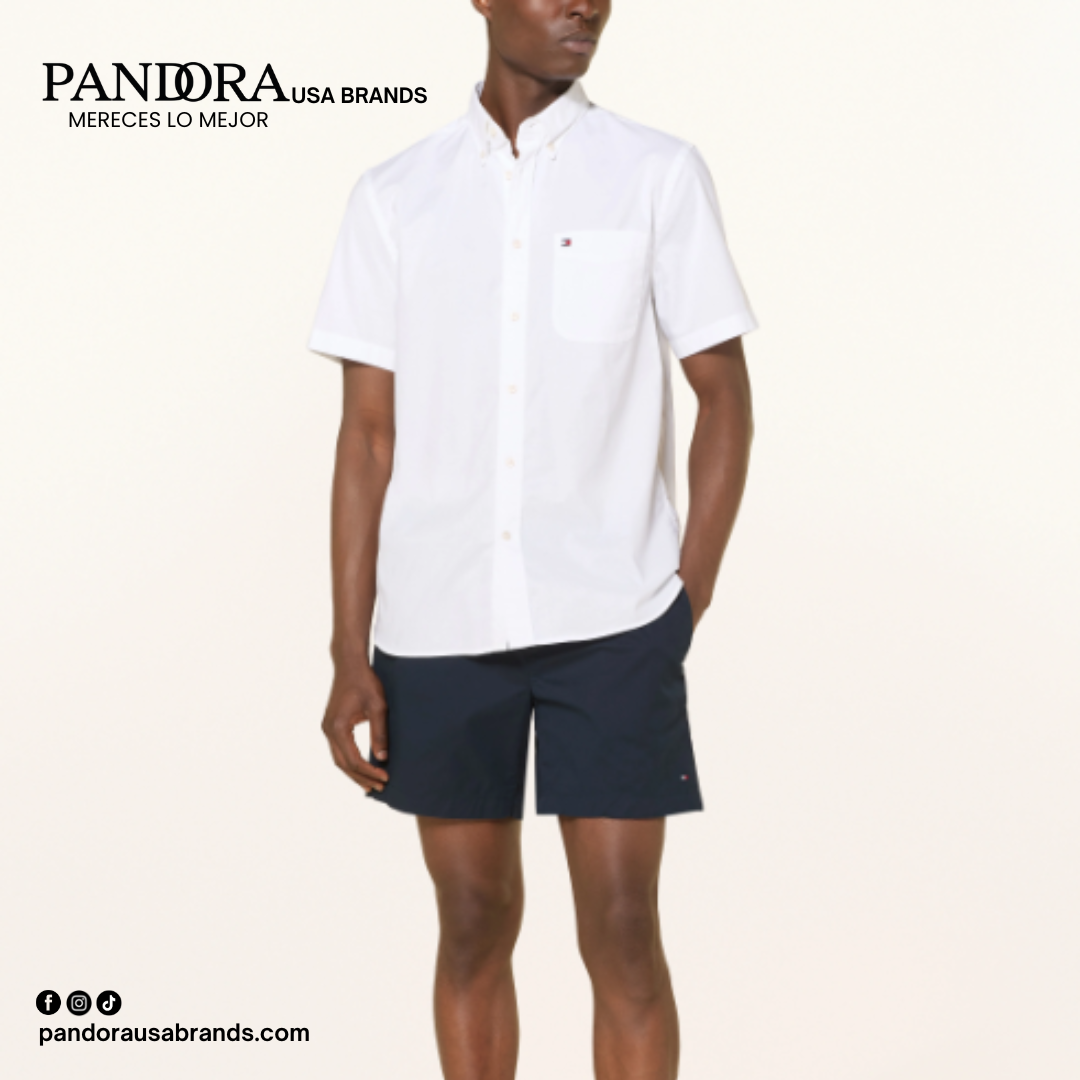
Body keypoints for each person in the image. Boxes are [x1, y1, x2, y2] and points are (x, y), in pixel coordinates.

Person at [307, 1, 757, 1076]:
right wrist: (347, 651)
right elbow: (367, 437)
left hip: (615, 622)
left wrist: (684, 597)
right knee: (471, 921)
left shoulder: (656, 174)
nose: (584, 4)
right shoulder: (394, 196)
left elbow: (725, 398)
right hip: (439, 621)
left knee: (624, 928)